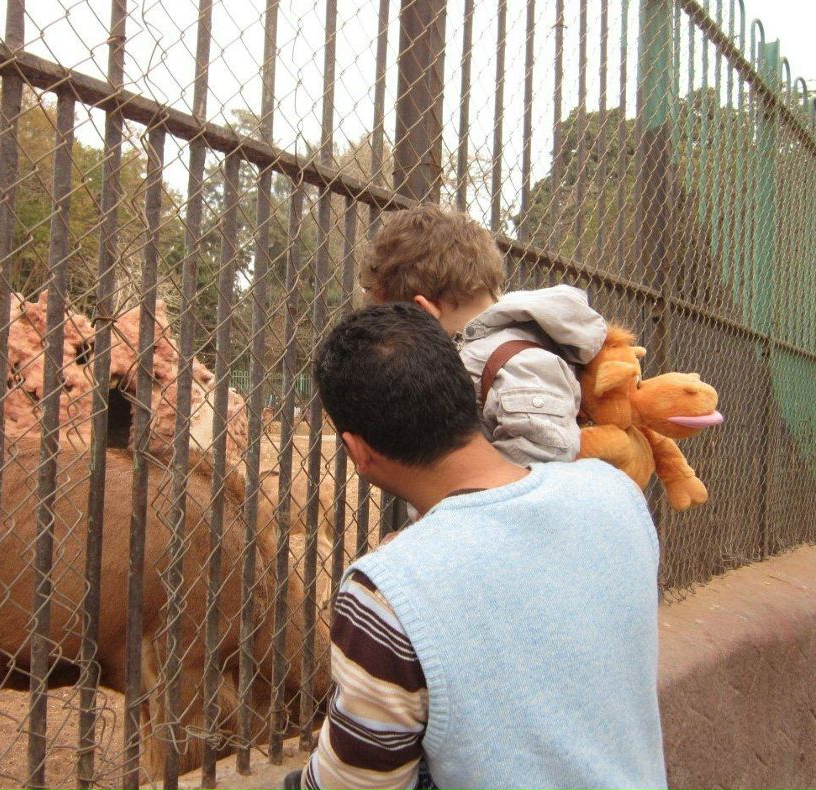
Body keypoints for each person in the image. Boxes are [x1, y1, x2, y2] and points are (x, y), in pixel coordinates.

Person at [283, 303, 666, 790]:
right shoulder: (615, 493)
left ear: (358, 451)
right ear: (466, 393)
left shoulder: (389, 589)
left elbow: (352, 786)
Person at [360, 203, 607, 466]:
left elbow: (541, 470)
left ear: (423, 311)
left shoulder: (519, 364)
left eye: (396, 322)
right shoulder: (478, 350)